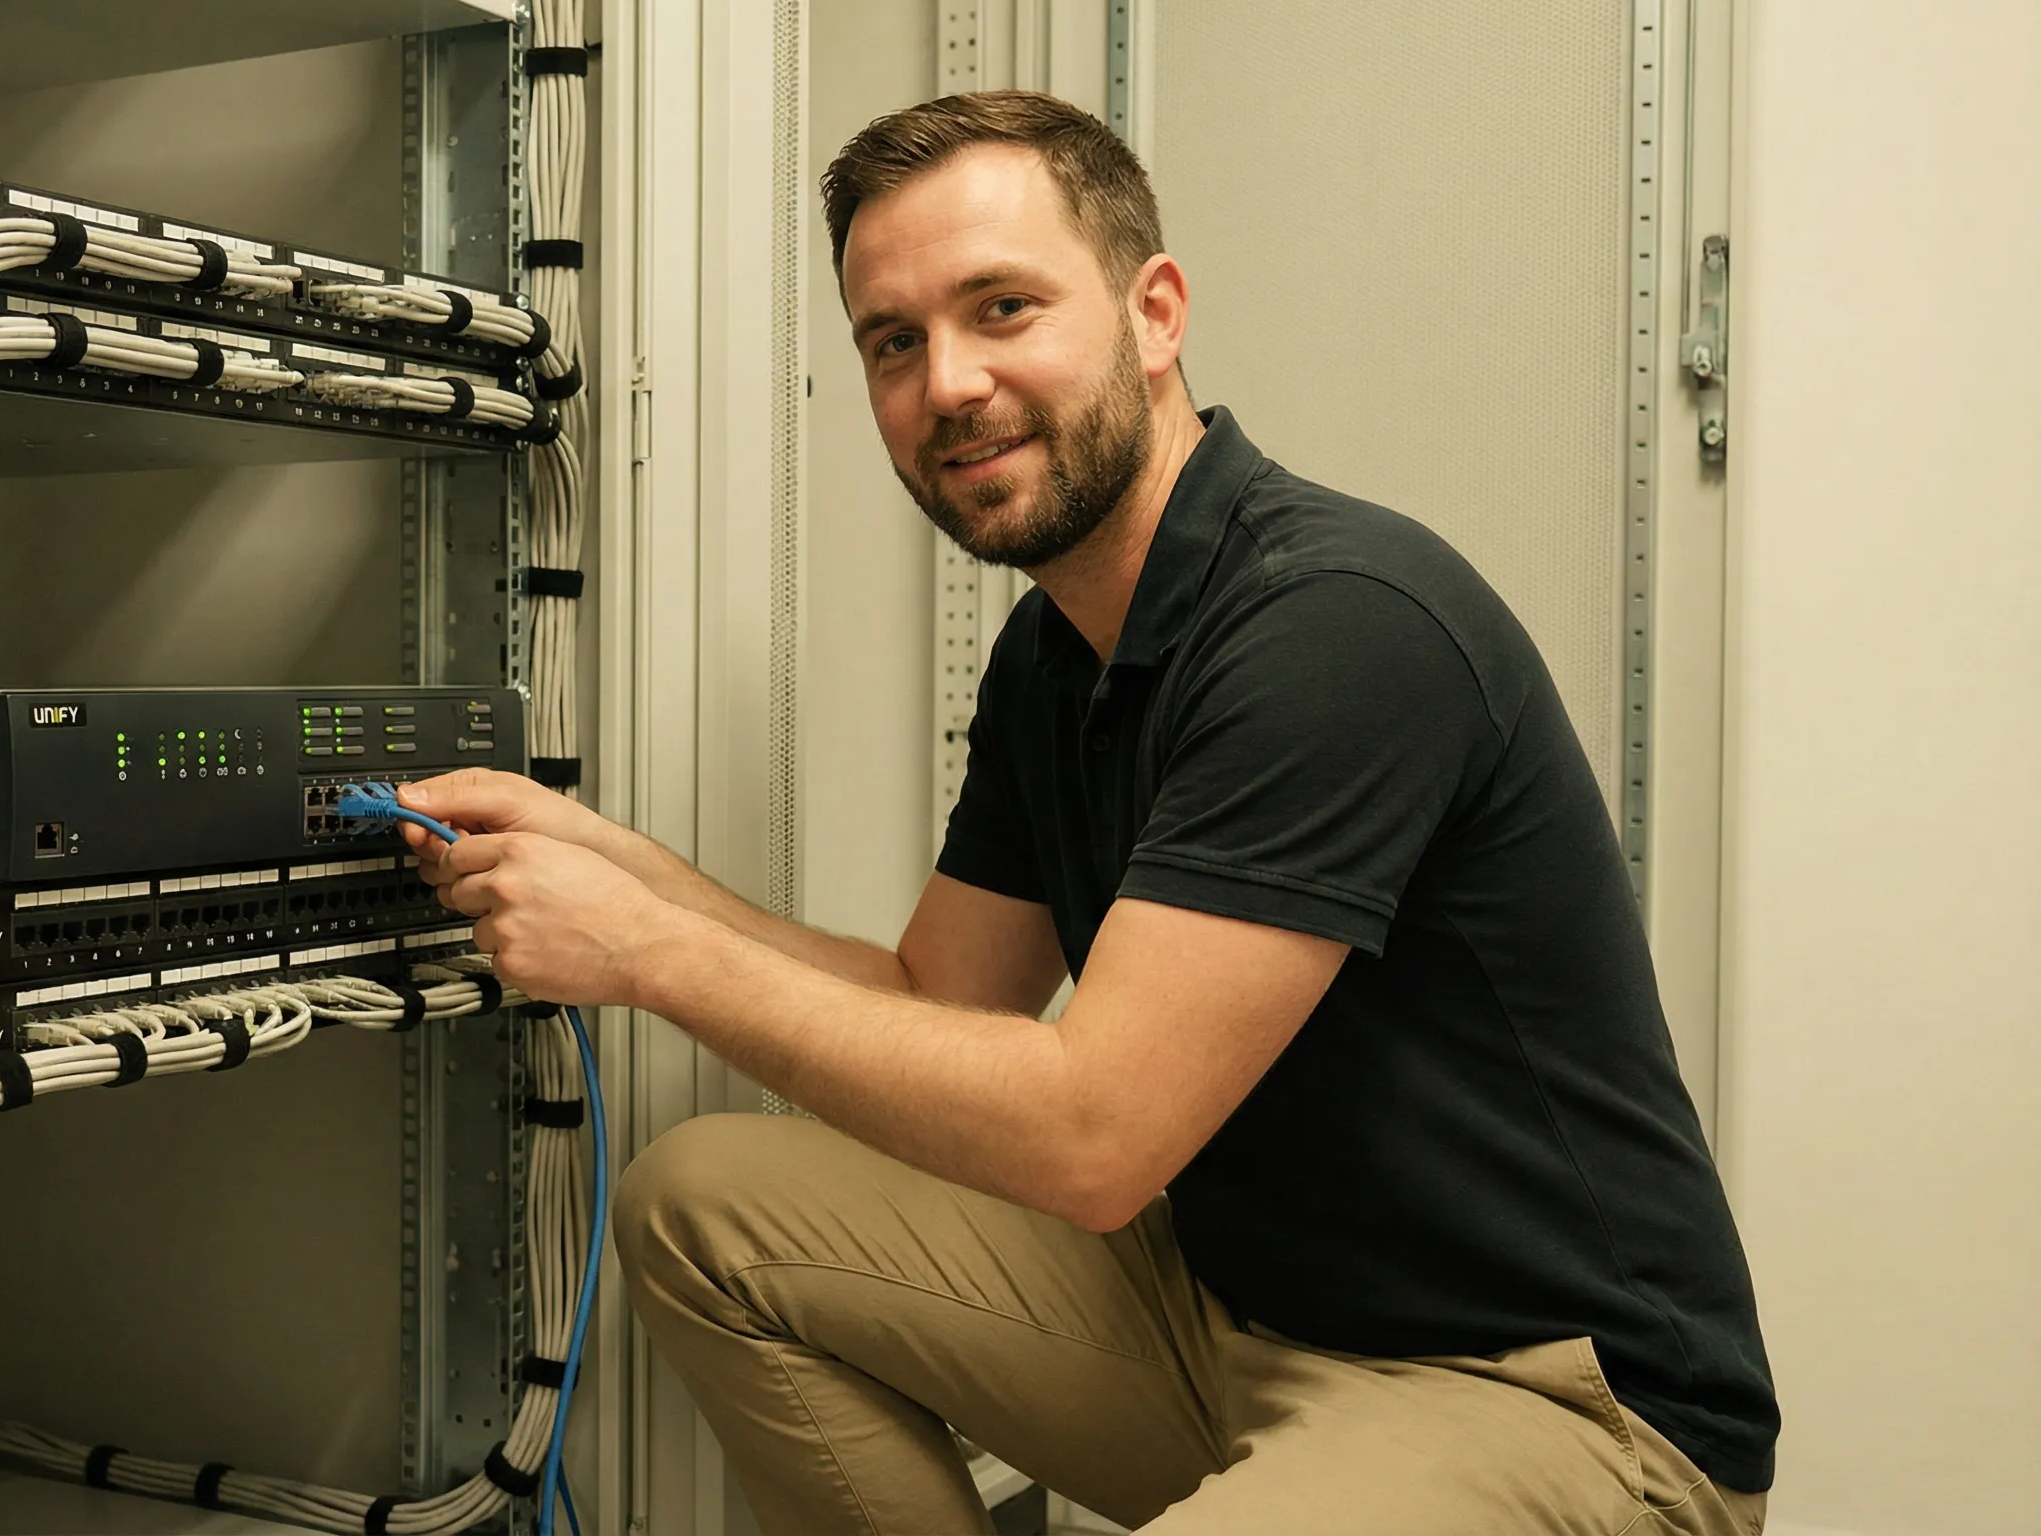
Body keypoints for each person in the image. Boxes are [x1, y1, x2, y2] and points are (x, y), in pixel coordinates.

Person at [395, 90, 1777, 1535]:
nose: (949, 384)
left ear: (1155, 311)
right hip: (1234, 1326)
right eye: (894, 341)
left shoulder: (1339, 627)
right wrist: (623, 874)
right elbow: (941, 993)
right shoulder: (1060, 653)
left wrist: (649, 956)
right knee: (703, 1205)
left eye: (1003, 308)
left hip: (1546, 1403)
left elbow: (1093, 1140)